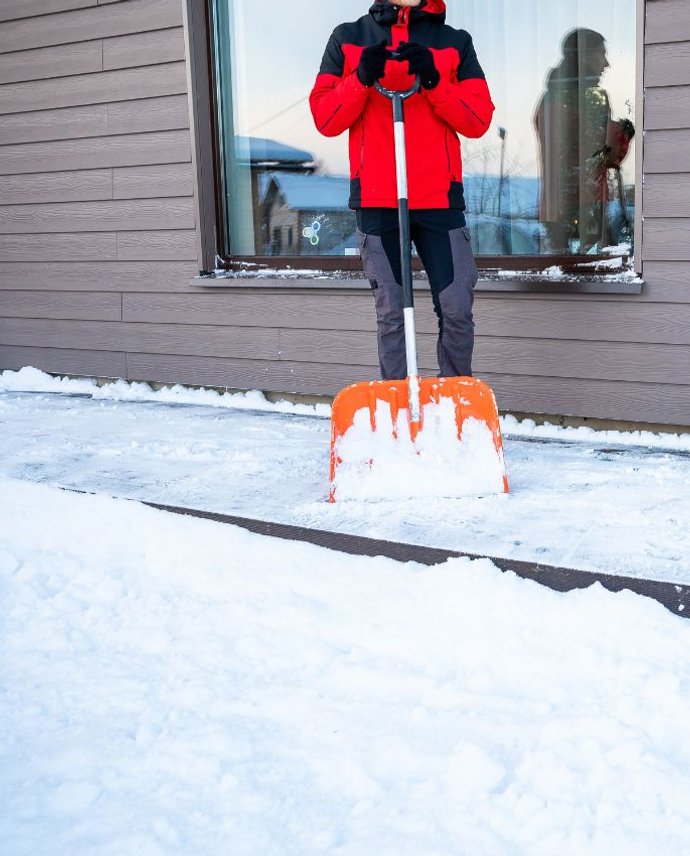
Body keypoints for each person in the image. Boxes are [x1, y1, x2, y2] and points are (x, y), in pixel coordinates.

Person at [310, 0, 494, 380]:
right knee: (393, 313)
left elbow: (477, 120)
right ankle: (397, 406)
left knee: (457, 307)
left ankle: (454, 403)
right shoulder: (348, 39)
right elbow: (326, 118)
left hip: (439, 198)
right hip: (377, 199)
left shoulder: (454, 42)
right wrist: (360, 78)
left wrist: (434, 82)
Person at [534, 28, 635, 254]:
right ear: (585, 56)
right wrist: (624, 132)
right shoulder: (591, 96)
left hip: (554, 205)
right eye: (602, 54)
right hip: (585, 204)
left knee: (558, 270)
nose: (606, 63)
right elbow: (602, 153)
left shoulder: (549, 97)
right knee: (594, 271)